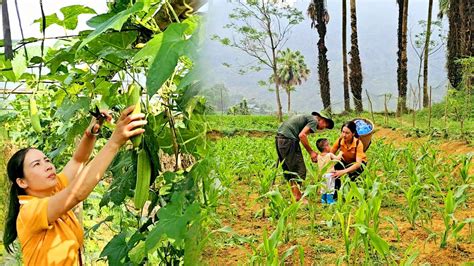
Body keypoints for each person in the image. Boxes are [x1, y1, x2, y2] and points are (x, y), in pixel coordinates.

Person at [3, 105, 147, 265]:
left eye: (47, 160)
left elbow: (78, 160)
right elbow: (76, 193)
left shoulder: (54, 189)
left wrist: (92, 131)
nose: (48, 166)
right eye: (37, 164)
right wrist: (114, 142)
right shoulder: (29, 212)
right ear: (21, 182)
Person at [275, 111, 334, 201]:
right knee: (298, 169)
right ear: (321, 118)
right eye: (325, 124)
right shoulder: (313, 120)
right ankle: (298, 197)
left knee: (289, 169)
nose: (323, 128)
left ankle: (295, 194)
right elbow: (302, 135)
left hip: (280, 139)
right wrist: (311, 152)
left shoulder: (306, 117)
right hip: (288, 140)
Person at [330, 121, 367, 199]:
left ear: (353, 133)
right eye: (343, 132)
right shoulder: (340, 140)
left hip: (358, 164)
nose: (344, 135)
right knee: (335, 173)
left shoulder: (358, 143)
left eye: (347, 133)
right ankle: (336, 195)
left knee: (352, 177)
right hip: (345, 161)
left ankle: (352, 195)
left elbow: (358, 163)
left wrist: (344, 171)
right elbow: (330, 153)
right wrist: (330, 165)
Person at [315, 138, 342, 204]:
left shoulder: (318, 156)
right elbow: (338, 159)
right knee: (330, 188)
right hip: (330, 175)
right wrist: (341, 152)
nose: (330, 146)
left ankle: (323, 200)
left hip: (322, 175)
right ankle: (330, 201)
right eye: (329, 145)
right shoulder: (329, 155)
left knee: (324, 188)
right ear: (326, 147)